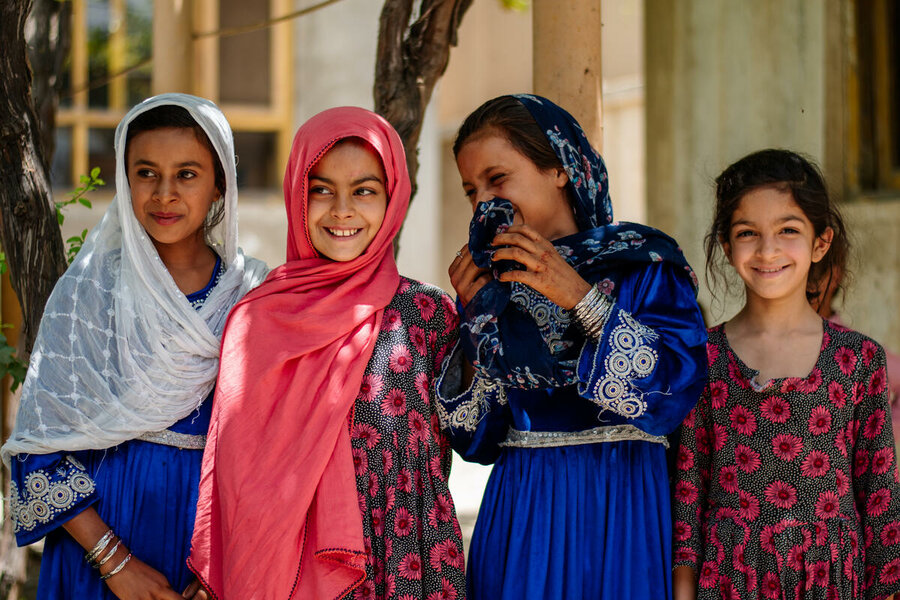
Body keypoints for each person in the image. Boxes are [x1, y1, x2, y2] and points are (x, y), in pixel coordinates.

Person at [436, 94, 707, 600]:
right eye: (471, 191)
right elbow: (476, 441)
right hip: (524, 510)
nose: (484, 203)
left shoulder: (644, 266)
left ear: (559, 168)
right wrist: (475, 325)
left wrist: (579, 298)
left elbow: (676, 389)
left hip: (624, 504)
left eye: (498, 179)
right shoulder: (494, 288)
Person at [188, 107, 466, 600]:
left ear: (393, 197)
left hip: (408, 557)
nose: (341, 210)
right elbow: (238, 473)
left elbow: (458, 443)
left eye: (364, 190)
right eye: (321, 189)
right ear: (296, 193)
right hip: (294, 564)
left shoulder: (427, 313)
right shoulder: (260, 321)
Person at [1, 93, 267, 599]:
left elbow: (273, 448)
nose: (164, 193)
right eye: (146, 173)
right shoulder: (90, 292)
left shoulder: (255, 297)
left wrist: (224, 564)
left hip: (213, 540)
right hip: (98, 541)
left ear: (220, 185)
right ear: (125, 182)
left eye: (187, 174)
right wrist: (114, 562)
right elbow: (40, 443)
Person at [672, 149, 900, 600]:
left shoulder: (857, 361)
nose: (768, 250)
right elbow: (688, 497)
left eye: (788, 231)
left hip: (832, 579)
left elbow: (880, 503)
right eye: (747, 233)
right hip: (731, 579)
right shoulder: (703, 359)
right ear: (725, 244)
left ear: (821, 242)